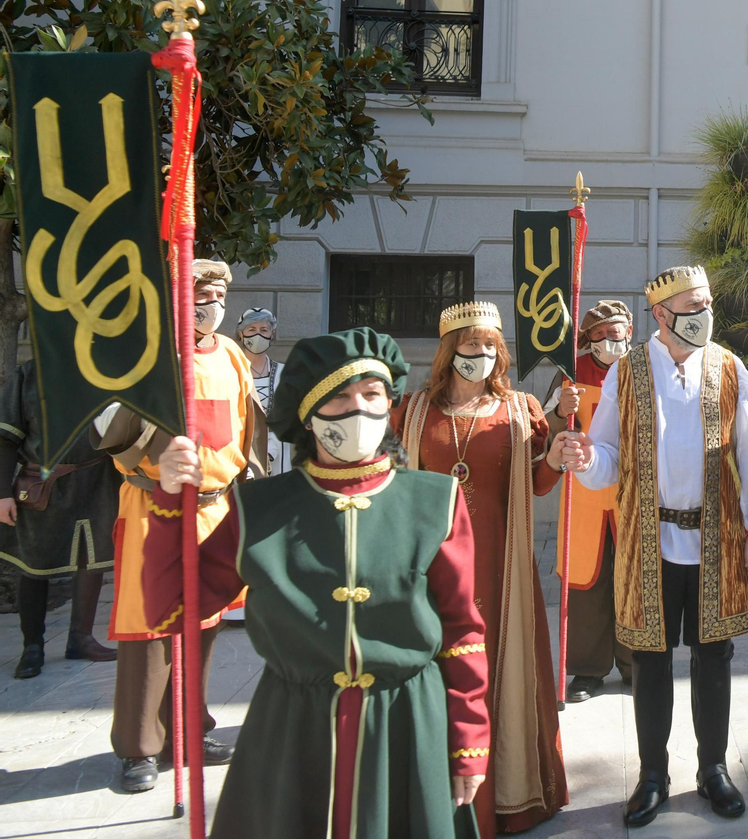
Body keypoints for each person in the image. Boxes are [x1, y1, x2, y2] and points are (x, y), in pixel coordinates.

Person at [143, 328, 488, 838]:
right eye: (339, 397)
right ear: (308, 412)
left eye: (371, 394)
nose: (358, 410)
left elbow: (461, 629)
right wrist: (170, 503)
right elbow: (172, 607)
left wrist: (468, 741)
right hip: (291, 733)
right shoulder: (257, 508)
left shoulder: (435, 500)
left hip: (406, 724)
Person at [553, 266, 748, 828]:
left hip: (717, 538)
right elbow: (605, 460)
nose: (704, 313)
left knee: (715, 658)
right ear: (661, 314)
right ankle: (653, 774)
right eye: (692, 306)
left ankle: (713, 769)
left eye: (707, 304)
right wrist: (584, 460)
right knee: (650, 660)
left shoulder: (728, 368)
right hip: (648, 540)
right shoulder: (627, 372)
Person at [395, 301, 569, 834]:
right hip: (433, 565)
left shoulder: (519, 409)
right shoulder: (414, 410)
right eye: (472, 346)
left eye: (492, 346)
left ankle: (510, 795)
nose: (483, 355)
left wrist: (557, 450)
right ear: (450, 352)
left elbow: (538, 481)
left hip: (500, 566)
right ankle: (434, 795)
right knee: (443, 671)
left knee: (497, 669)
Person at [96, 259, 263, 793]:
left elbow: (247, 429)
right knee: (149, 630)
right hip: (155, 508)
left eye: (216, 294)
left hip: (215, 510)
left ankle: (188, 731)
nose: (209, 304)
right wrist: (148, 458)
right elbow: (111, 432)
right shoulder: (147, 359)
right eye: (198, 294)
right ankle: (139, 747)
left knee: (204, 625)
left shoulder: (235, 355)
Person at [0, 359, 121, 678]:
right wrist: (2, 494)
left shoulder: (106, 370)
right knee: (34, 564)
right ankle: (32, 646)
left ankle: (80, 639)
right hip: (42, 483)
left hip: (96, 478)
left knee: (90, 559)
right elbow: (5, 438)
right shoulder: (28, 374)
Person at [544, 300, 635, 703]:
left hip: (633, 491)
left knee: (635, 578)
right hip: (584, 497)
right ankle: (586, 670)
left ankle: (637, 665)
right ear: (587, 339)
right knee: (587, 580)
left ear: (629, 332)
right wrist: (559, 411)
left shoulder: (648, 368)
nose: (609, 339)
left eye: (615, 331)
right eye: (599, 334)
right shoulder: (570, 374)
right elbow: (542, 431)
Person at [237, 307, 290, 476]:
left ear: (271, 335)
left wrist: (269, 450)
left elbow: (286, 419)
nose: (257, 334)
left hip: (278, 456)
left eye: (263, 330)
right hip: (240, 452)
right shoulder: (232, 371)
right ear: (241, 334)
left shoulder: (283, 373)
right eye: (251, 329)